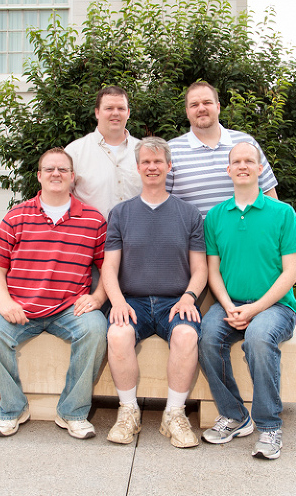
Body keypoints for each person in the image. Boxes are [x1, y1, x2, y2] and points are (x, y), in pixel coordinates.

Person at [0, 148, 108, 440]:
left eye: (62, 169)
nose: (56, 174)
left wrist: (98, 298)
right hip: (19, 306)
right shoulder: (16, 216)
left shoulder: (93, 220)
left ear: (73, 177)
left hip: (68, 309)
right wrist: (5, 301)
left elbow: (109, 267)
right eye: (49, 169)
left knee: (97, 330)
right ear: (39, 176)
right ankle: (12, 409)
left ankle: (72, 412)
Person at [198, 142, 296, 460]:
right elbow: (212, 271)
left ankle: (269, 427)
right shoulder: (216, 216)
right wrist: (229, 306)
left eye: (249, 161)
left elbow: (292, 272)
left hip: (276, 307)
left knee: (257, 338)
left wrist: (255, 309)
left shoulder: (283, 213)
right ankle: (233, 415)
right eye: (236, 161)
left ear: (260, 169)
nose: (242, 165)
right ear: (228, 170)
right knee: (204, 337)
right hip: (230, 303)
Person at [101, 136, 208, 448]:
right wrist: (117, 301)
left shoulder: (189, 214)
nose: (152, 167)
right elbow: (109, 267)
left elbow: (200, 268)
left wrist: (189, 297)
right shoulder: (120, 213)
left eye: (158, 161)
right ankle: (128, 412)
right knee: (118, 335)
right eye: (146, 161)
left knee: (187, 335)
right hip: (131, 301)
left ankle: (173, 414)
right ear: (138, 167)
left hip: (175, 301)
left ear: (168, 165)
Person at [166, 81, 279, 218]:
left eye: (207, 102)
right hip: (191, 239)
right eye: (194, 105)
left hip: (243, 237)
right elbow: (160, 203)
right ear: (187, 112)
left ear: (218, 107)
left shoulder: (247, 144)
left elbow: (269, 195)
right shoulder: (170, 151)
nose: (201, 108)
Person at [65, 86, 142, 220]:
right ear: (97, 112)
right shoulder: (75, 152)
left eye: (121, 108)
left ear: (128, 113)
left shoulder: (143, 151)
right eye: (109, 108)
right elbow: (62, 198)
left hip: (137, 238)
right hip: (91, 238)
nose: (115, 113)